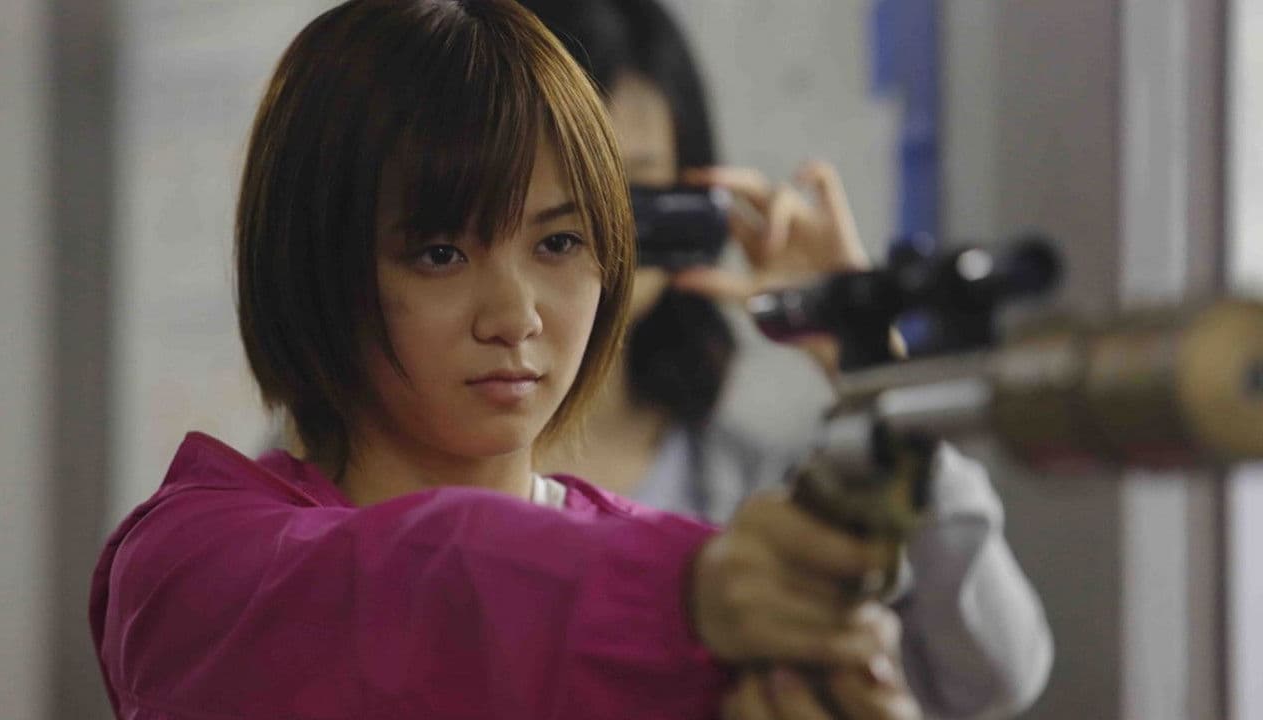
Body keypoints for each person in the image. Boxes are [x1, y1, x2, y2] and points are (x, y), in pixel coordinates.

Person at [89, 1, 920, 718]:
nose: (516, 317)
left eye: (559, 243)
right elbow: (417, 593)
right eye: (440, 254)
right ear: (315, 270)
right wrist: (686, 604)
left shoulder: (685, 571)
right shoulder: (194, 569)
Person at [520, 1, 1054, 717]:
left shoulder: (768, 495)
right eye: (558, 200)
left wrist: (865, 360)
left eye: (635, 195)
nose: (599, 237)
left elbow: (992, 676)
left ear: (695, 202)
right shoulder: (406, 478)